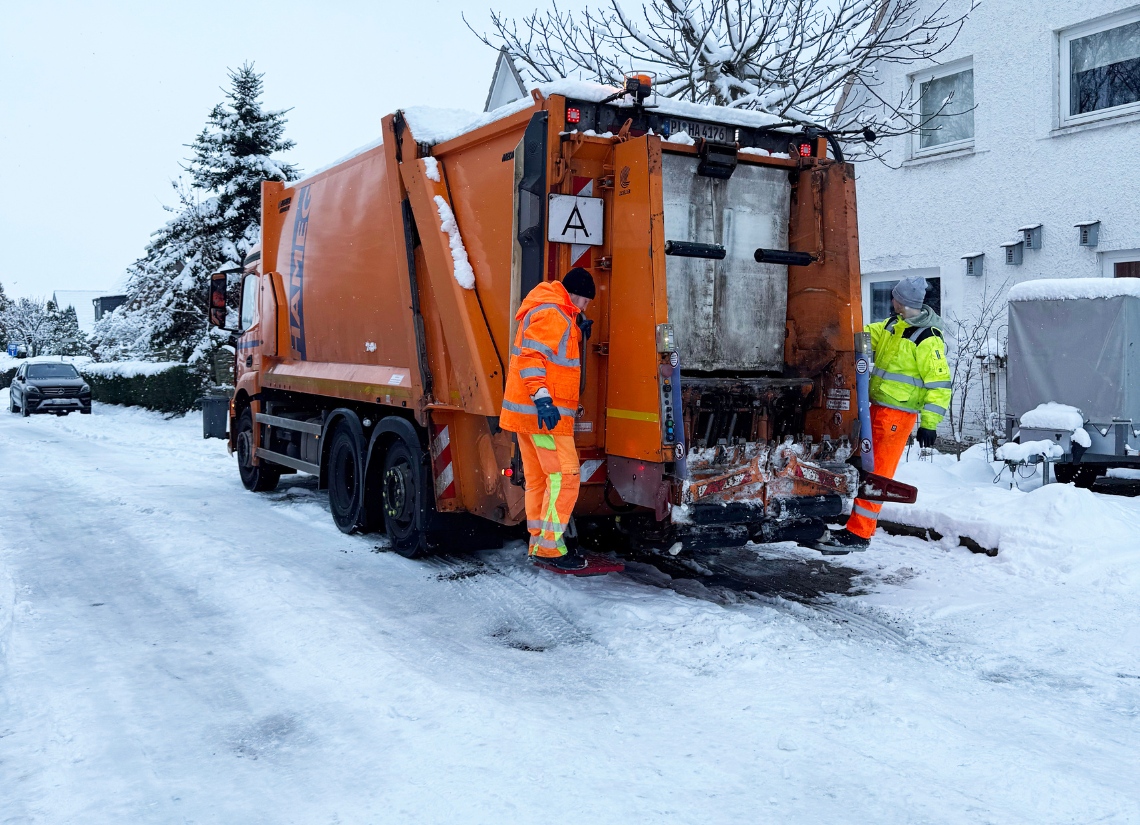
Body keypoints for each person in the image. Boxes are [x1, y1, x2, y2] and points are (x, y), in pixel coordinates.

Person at [817, 275, 952, 551]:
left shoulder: (928, 339)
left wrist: (930, 423)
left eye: (895, 297)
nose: (891, 300)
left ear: (902, 301)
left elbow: (939, 385)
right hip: (875, 409)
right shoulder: (893, 326)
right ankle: (848, 520)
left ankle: (860, 533)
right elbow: (865, 334)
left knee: (878, 473)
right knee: (861, 466)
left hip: (898, 416)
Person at [500, 267, 596, 570]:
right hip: (544, 418)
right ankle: (550, 548)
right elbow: (533, 358)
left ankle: (539, 542)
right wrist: (543, 400)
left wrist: (577, 328)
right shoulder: (553, 313)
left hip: (530, 418)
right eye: (585, 302)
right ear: (577, 295)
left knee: (541, 480)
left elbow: (550, 354)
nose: (585, 308)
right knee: (566, 477)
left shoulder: (551, 310)